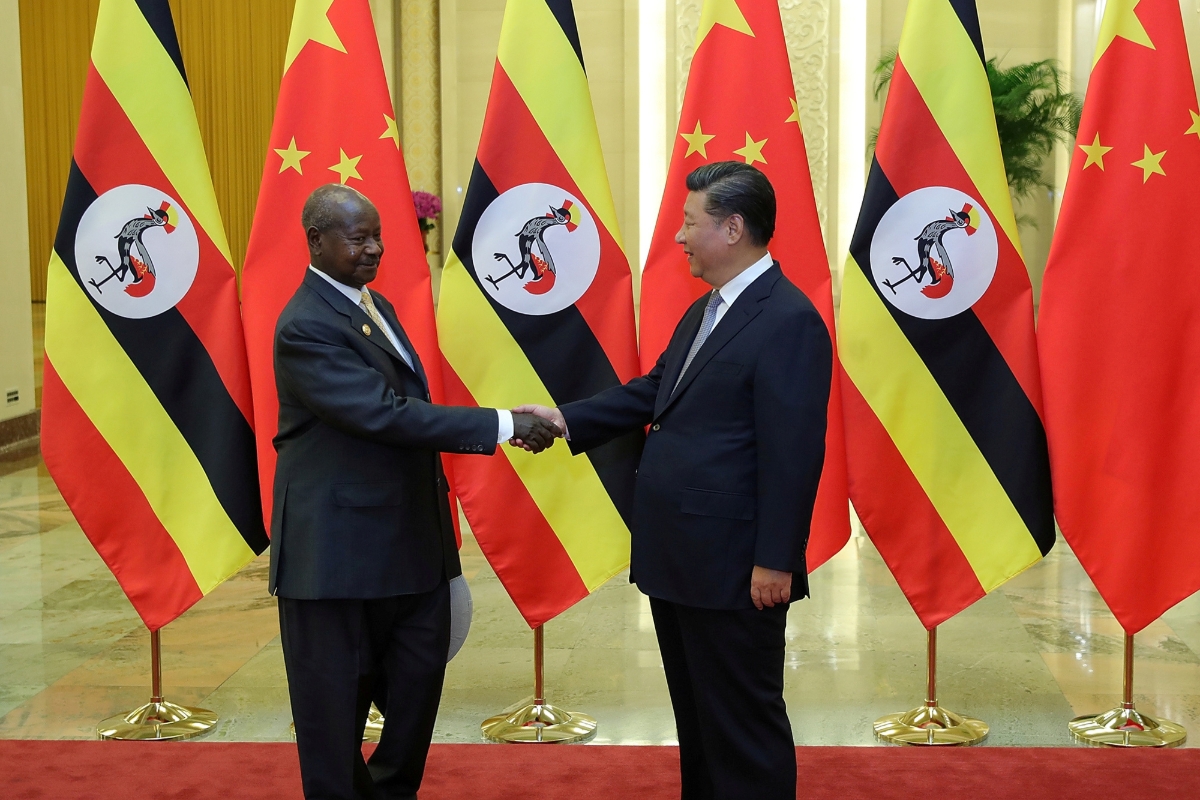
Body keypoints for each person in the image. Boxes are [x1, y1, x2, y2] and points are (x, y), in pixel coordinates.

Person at [516, 162, 831, 799]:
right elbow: (656, 391)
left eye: (691, 223)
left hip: (736, 568)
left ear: (733, 228)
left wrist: (776, 561)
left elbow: (794, 453)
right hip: (682, 557)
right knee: (699, 722)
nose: (680, 237)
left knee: (742, 726)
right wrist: (564, 418)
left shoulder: (788, 319)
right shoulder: (706, 311)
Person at [270, 184, 558, 800]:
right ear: (316, 240)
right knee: (332, 716)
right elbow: (386, 415)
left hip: (404, 547)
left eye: (378, 235)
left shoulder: (377, 308)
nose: (374, 248)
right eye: (358, 238)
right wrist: (504, 424)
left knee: (415, 691)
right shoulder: (305, 326)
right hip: (336, 558)